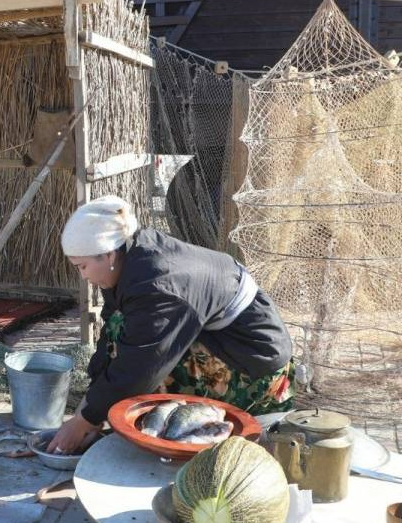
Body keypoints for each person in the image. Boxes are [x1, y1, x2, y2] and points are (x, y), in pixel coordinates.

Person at [47, 195, 294, 454]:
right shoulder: (128, 258)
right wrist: (91, 408)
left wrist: (84, 420)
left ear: (108, 254)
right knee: (120, 329)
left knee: (149, 377)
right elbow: (111, 332)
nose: (82, 276)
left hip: (255, 361)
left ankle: (179, 442)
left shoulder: (157, 283)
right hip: (219, 337)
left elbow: (140, 367)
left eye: (82, 266)